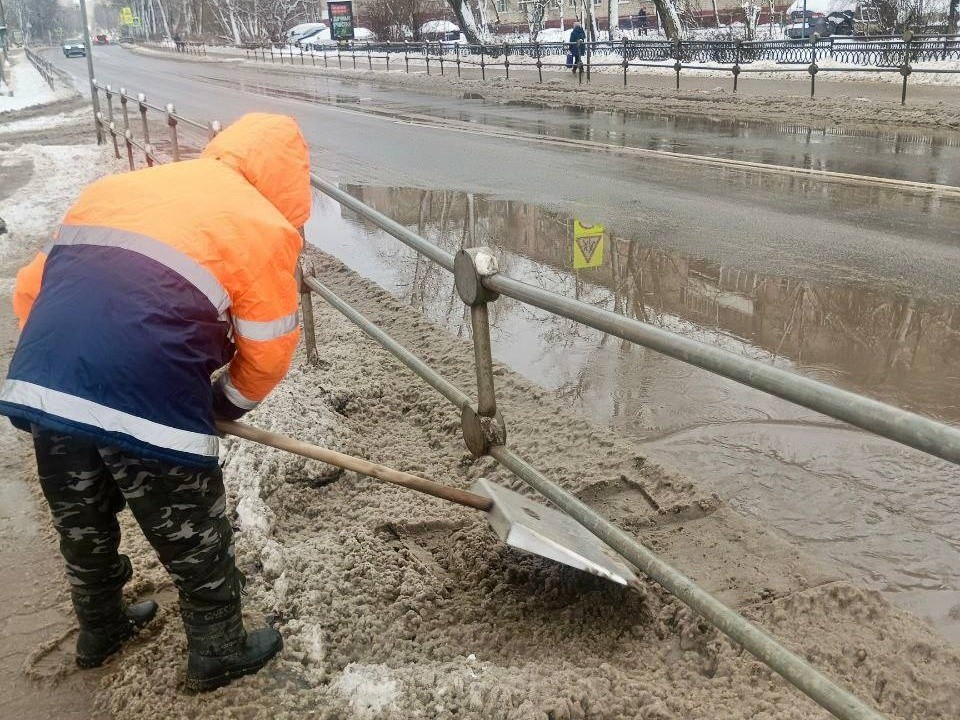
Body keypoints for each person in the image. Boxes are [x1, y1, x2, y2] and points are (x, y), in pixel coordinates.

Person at [0, 113, 311, 691]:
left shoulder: (120, 189)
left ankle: (102, 628)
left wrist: (73, 376)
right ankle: (218, 648)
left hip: (46, 382)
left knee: (82, 519)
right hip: (147, 388)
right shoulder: (260, 224)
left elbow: (31, 287)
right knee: (191, 529)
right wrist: (226, 402)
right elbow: (268, 348)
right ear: (289, 181)